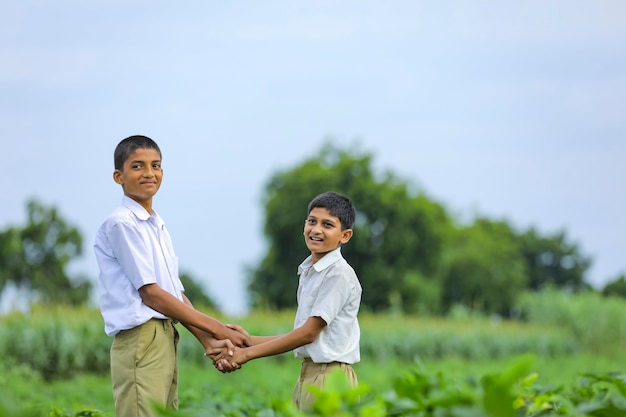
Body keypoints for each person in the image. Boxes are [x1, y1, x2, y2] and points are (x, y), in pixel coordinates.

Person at [94, 135, 249, 417]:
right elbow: (151, 294)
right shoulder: (122, 223)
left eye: (156, 165)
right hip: (141, 338)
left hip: (165, 335)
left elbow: (174, 294)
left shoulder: (156, 224)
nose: (149, 173)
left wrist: (209, 341)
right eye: (138, 166)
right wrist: (219, 330)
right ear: (119, 176)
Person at [217, 191, 362, 411]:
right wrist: (248, 340)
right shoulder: (310, 271)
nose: (316, 230)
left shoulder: (338, 273)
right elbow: (304, 335)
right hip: (310, 374)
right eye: (312, 221)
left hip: (331, 378)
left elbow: (307, 334)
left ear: (345, 235)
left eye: (328, 225)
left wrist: (246, 354)